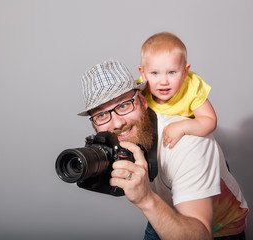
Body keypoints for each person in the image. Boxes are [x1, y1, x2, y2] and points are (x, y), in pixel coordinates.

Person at [78, 60, 248, 239]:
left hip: (219, 228)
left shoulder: (187, 143)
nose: (118, 123)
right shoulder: (112, 141)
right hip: (164, 208)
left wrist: (145, 199)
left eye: (123, 105)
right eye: (102, 114)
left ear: (142, 101)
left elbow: (201, 235)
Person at [137, 32, 217, 149]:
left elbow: (210, 121)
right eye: (154, 73)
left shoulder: (191, 88)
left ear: (185, 72)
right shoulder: (141, 88)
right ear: (143, 74)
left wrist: (183, 127)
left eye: (172, 72)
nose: (163, 81)